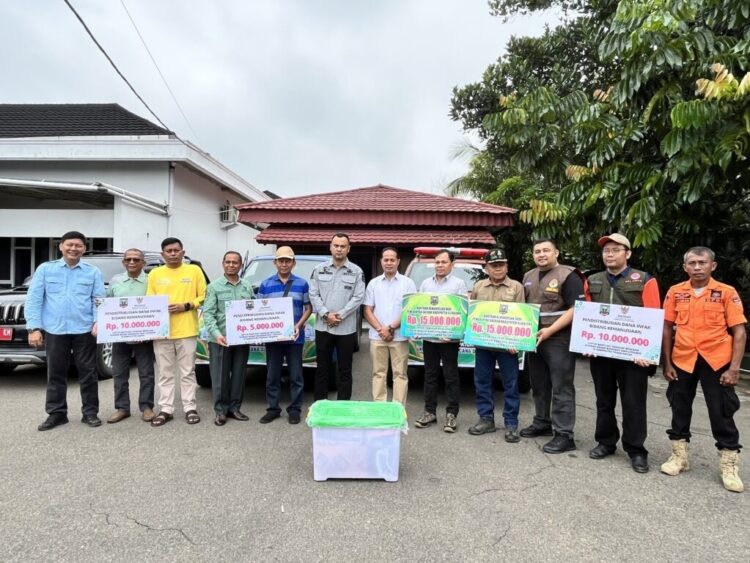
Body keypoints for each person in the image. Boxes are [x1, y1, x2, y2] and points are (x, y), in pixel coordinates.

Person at [660, 246, 746, 492]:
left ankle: (729, 464)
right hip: (683, 358)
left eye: (702, 263)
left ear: (713, 266)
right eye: (692, 263)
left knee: (721, 411)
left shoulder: (726, 293)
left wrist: (734, 368)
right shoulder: (676, 292)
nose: (697, 267)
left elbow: (739, 331)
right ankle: (679, 457)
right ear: (685, 267)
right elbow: (667, 328)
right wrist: (666, 362)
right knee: (679, 406)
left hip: (716, 361)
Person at [586, 234, 660, 473]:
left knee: (634, 403)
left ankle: (636, 449)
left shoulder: (645, 280)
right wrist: (586, 342)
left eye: (615, 250)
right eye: (606, 250)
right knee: (603, 401)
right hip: (601, 354)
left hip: (634, 356)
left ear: (627, 254)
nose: (609, 254)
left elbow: (653, 317)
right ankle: (605, 441)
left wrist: (647, 352)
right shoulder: (592, 280)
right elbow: (587, 315)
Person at [26, 231, 105, 430]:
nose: (73, 249)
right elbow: (34, 299)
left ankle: (90, 413)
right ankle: (57, 414)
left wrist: (98, 322)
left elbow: (98, 301)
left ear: (84, 249)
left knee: (88, 373)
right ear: (61, 246)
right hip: (55, 330)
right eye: (69, 245)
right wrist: (34, 328)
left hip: (85, 330)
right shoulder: (46, 269)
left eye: (78, 245)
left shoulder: (92, 272)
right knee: (55, 373)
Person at [520, 238, 586, 453]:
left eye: (546, 250)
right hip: (535, 339)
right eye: (537, 251)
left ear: (556, 252)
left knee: (561, 386)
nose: (541, 254)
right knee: (539, 384)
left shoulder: (568, 275)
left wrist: (550, 330)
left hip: (559, 339)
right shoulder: (528, 276)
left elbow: (577, 308)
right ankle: (542, 422)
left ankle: (565, 434)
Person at [146, 237, 207, 426]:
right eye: (168, 251)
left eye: (176, 250)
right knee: (165, 373)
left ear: (182, 252)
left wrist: (187, 305)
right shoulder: (155, 274)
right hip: (162, 332)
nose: (172, 254)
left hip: (187, 330)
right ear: (163, 254)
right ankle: (166, 409)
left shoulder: (194, 270)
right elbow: (150, 300)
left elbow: (204, 297)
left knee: (188, 371)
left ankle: (190, 407)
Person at [467, 248, 525, 443]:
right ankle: (486, 419)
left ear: (506, 266)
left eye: (501, 264)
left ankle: (511, 423)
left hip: (507, 347)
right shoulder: (479, 286)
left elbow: (522, 316)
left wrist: (515, 342)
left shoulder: (516, 287)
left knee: (511, 384)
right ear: (487, 268)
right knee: (482, 382)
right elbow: (472, 314)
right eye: (494, 265)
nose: (498, 268)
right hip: (483, 345)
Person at [414, 249, 468, 433]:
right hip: (429, 339)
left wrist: (455, 334)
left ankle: (452, 414)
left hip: (449, 340)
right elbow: (419, 308)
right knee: (429, 376)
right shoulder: (425, 283)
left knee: (451, 376)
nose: (440, 265)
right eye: (437, 262)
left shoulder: (459, 284)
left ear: (452, 264)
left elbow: (462, 311)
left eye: (444, 262)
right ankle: (429, 412)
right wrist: (417, 328)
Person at [257, 246, 312, 424]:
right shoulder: (265, 284)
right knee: (272, 375)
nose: (284, 264)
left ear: (293, 263)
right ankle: (273, 409)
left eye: (287, 260)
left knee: (296, 375)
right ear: (275, 263)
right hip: (273, 338)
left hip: (295, 337)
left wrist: (298, 325)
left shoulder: (302, 283)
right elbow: (259, 310)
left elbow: (308, 308)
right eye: (281, 260)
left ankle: (295, 409)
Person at [309, 233, 365, 401]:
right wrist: (326, 314)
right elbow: (313, 294)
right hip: (323, 327)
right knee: (322, 369)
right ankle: (320, 406)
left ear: (348, 249)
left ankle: (343, 407)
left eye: (343, 246)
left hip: (346, 329)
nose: (339, 249)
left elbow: (358, 297)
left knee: (345, 370)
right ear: (330, 247)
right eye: (336, 245)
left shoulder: (356, 271)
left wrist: (339, 315)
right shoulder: (319, 270)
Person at [203, 251, 253, 426]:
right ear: (222, 263)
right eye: (228, 262)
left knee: (239, 375)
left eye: (235, 262)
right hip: (220, 339)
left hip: (241, 339)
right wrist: (217, 335)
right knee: (220, 377)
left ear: (240, 265)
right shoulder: (213, 287)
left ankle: (235, 408)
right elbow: (208, 314)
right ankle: (221, 411)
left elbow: (253, 310)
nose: (231, 265)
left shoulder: (247, 286)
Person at [106, 248, 156, 423]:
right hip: (120, 335)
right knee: (119, 373)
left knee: (146, 373)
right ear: (123, 262)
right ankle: (122, 408)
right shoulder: (115, 281)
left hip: (145, 336)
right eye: (128, 259)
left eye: (136, 259)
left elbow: (156, 307)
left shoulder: (151, 281)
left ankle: (147, 407)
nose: (132, 262)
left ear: (143, 263)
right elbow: (107, 306)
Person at [363, 247, 416, 405]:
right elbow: (367, 309)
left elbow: (409, 309)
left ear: (398, 261)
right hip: (377, 336)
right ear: (381, 261)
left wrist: (391, 328)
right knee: (378, 373)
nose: (389, 263)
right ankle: (380, 406)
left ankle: (398, 408)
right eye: (386, 259)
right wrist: (382, 330)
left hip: (399, 336)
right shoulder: (374, 283)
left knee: (400, 374)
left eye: (392, 259)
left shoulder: (408, 283)